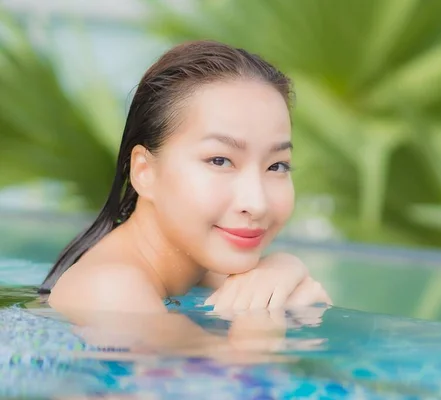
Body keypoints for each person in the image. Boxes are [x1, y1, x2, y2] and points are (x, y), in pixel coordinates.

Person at [39, 40, 332, 316]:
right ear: (145, 171)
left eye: (277, 166)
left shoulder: (205, 269)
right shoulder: (110, 291)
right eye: (220, 160)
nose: (256, 204)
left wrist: (283, 267)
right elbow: (238, 368)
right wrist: (261, 326)